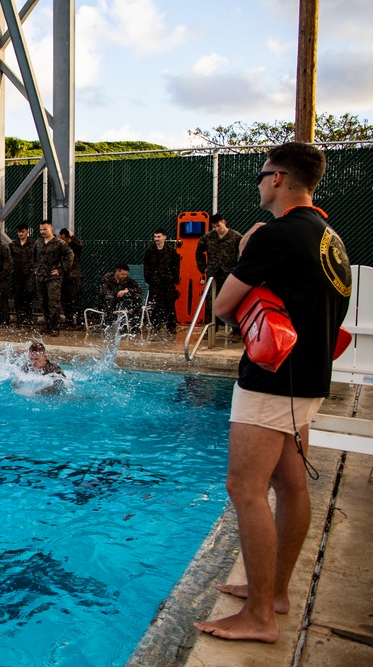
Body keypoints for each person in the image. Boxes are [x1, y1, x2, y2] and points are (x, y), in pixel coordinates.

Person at [194, 142, 351, 644]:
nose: (260, 183)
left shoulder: (275, 235)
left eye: (264, 174)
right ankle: (275, 592)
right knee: (290, 485)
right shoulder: (330, 237)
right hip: (308, 379)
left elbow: (223, 305)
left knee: (244, 489)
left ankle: (261, 615)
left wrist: (246, 250)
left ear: (280, 178)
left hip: (269, 380)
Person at [33, 220, 73, 336]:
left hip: (53, 278)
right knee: (44, 302)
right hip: (41, 277)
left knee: (53, 303)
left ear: (51, 228)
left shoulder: (59, 243)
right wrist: (36, 269)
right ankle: (48, 326)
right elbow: (34, 257)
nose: (42, 232)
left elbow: (70, 255)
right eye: (41, 229)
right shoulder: (38, 243)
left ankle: (55, 327)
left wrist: (61, 269)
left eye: (45, 229)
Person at [196, 213, 243, 313]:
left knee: (230, 300)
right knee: (211, 300)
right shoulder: (208, 237)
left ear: (224, 223)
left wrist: (238, 269)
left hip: (229, 273)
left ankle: (229, 325)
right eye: (214, 227)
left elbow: (243, 253)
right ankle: (212, 325)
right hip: (213, 273)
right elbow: (199, 252)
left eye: (218, 226)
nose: (216, 229)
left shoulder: (236, 237)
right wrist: (203, 267)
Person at [142, 228, 181, 334]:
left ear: (164, 237)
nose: (156, 239)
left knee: (170, 304)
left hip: (168, 282)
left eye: (159, 237)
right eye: (155, 237)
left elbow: (176, 266)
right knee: (155, 305)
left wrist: (175, 279)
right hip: (155, 282)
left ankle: (171, 325)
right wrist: (149, 280)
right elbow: (146, 267)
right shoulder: (150, 251)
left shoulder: (171, 251)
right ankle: (156, 325)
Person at [9, 223, 36, 325]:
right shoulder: (13, 244)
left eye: (22, 231)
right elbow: (9, 258)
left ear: (27, 232)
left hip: (29, 273)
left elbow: (38, 257)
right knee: (18, 295)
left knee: (28, 293)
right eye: (19, 232)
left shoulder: (33, 244)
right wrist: (10, 269)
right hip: (17, 273)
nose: (20, 234)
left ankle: (28, 316)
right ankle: (20, 318)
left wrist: (35, 269)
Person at [59, 228, 85, 328]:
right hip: (64, 276)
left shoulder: (75, 246)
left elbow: (81, 244)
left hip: (74, 276)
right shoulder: (61, 247)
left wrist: (72, 236)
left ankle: (80, 321)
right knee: (65, 300)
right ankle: (69, 320)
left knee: (76, 299)